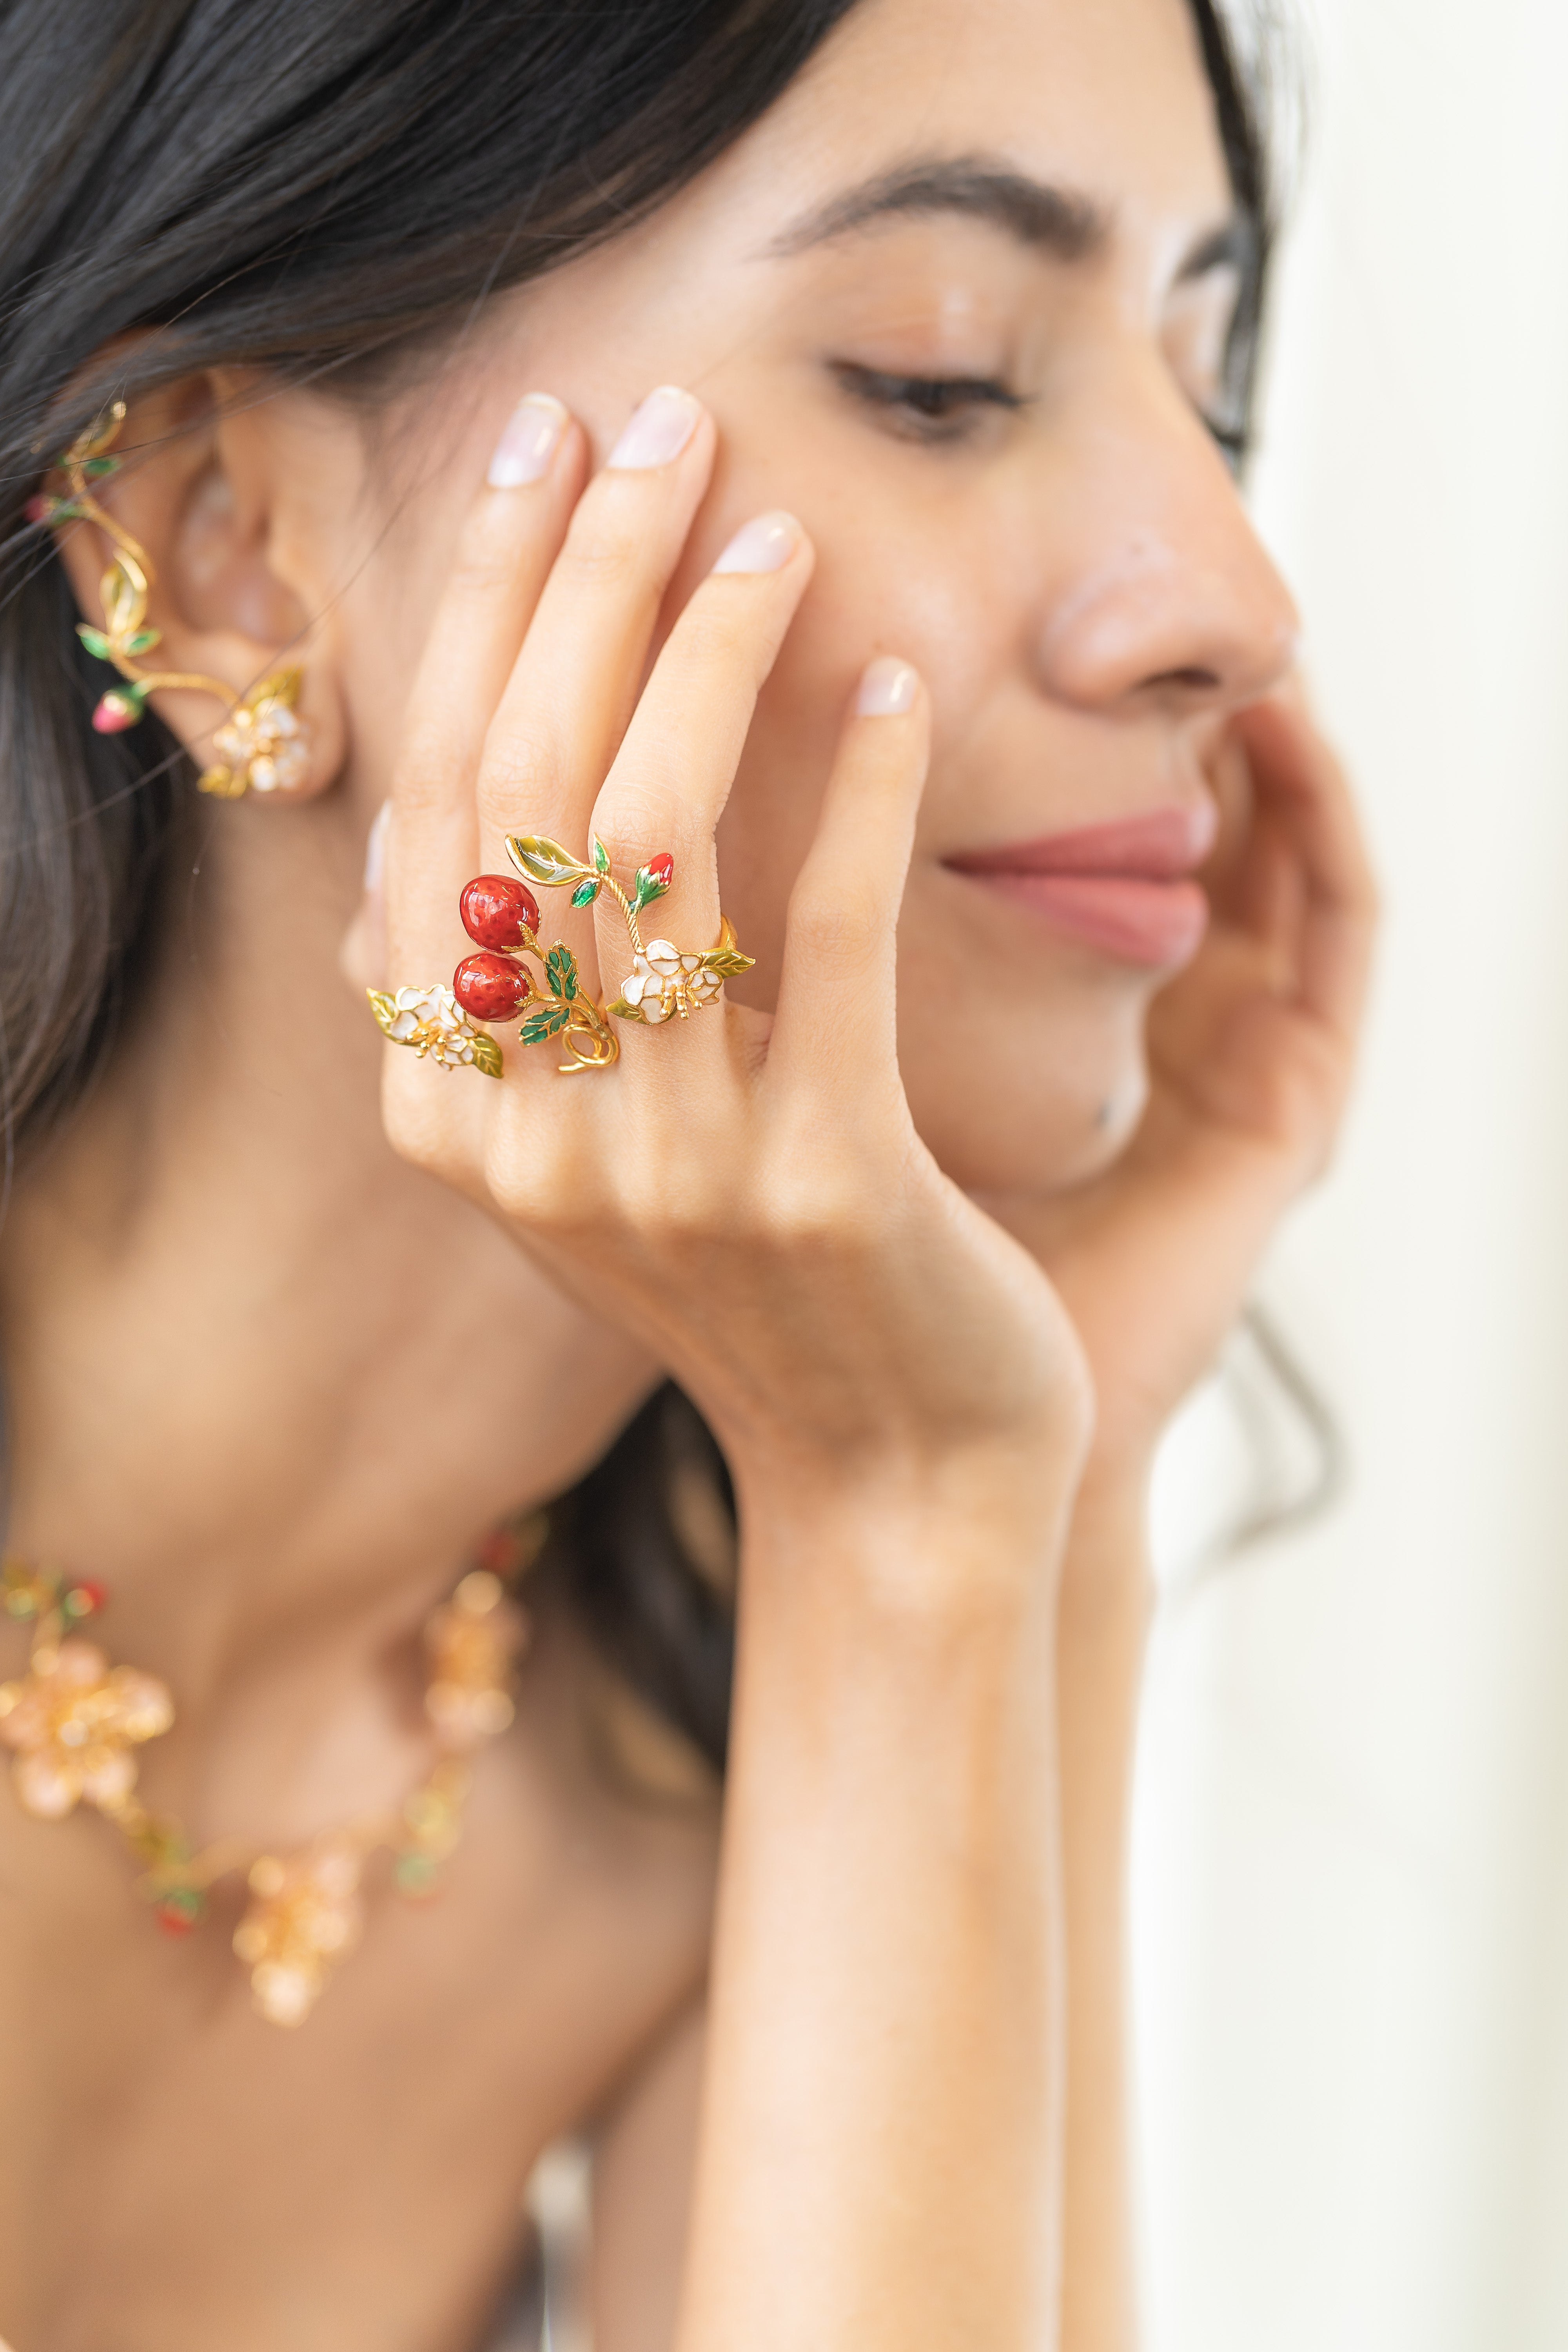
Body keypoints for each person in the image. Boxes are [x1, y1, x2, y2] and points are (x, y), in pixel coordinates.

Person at [0, 0, 1375, 2345]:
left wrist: (1006, 1509)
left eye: (1208, 378)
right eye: (941, 373)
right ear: (223, 557)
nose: (1235, 602)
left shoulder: (656, 1728)